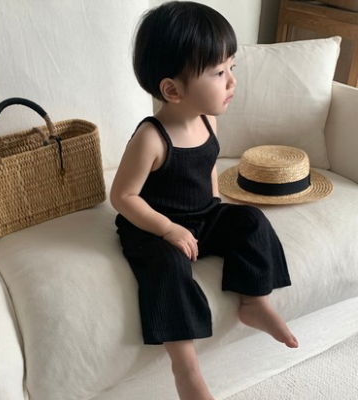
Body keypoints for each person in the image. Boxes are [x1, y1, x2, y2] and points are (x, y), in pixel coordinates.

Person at [110, 2, 299, 399]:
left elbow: (209, 165)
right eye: (218, 73)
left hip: (202, 215)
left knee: (251, 220)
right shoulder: (151, 138)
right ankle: (186, 369)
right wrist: (168, 228)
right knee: (167, 266)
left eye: (232, 67)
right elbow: (123, 196)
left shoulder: (207, 120)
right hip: (154, 226)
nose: (232, 81)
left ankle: (254, 301)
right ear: (172, 90)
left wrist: (216, 207)